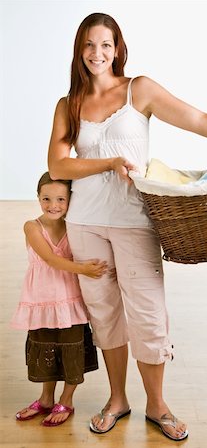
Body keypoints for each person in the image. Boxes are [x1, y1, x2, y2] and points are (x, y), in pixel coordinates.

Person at [47, 12, 207, 441]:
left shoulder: (139, 89)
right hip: (85, 223)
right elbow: (57, 164)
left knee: (149, 316)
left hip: (135, 221)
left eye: (105, 45)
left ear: (118, 49)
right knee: (105, 314)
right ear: (79, 51)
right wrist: (109, 162)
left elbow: (198, 119)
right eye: (88, 45)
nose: (97, 53)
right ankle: (117, 399)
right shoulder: (70, 104)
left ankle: (157, 406)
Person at [11, 172, 110, 427]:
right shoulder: (32, 226)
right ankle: (45, 399)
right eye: (46, 199)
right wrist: (84, 269)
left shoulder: (73, 226)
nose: (53, 205)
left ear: (70, 201)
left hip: (70, 302)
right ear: (37, 198)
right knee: (46, 349)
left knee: (71, 350)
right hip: (41, 301)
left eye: (60, 200)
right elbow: (50, 259)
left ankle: (67, 399)